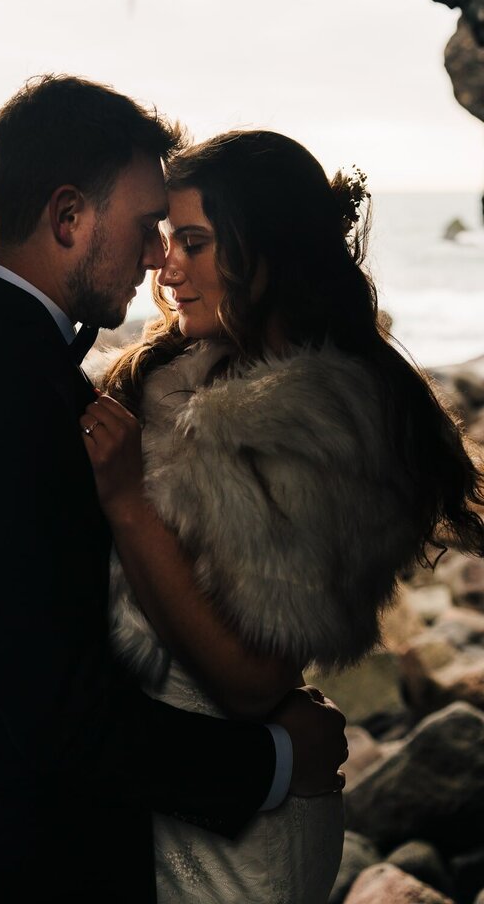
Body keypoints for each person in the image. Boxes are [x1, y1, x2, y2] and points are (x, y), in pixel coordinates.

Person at [0, 82, 347, 904]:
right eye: (143, 228)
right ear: (68, 218)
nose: (155, 259)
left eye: (177, 236)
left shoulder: (22, 361)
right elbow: (51, 709)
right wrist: (274, 760)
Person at [81, 129, 484, 903]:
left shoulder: (321, 420)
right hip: (174, 787)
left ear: (265, 250)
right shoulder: (175, 372)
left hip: (245, 832)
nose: (166, 267)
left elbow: (252, 679)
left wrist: (130, 504)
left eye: (194, 243)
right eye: (168, 240)